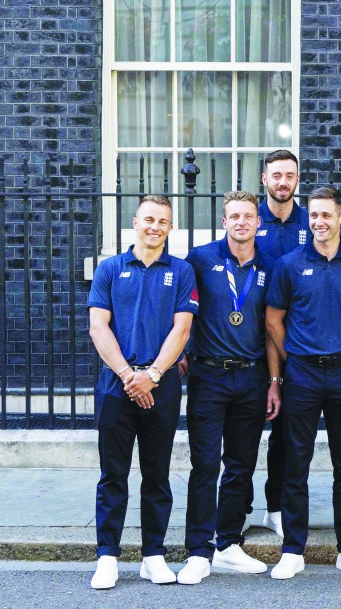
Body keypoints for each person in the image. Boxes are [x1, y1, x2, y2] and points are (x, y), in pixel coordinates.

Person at [265, 186, 341, 579]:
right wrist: (295, 353)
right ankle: (293, 549)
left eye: (326, 215)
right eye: (313, 215)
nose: (319, 222)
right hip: (303, 373)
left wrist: (339, 344)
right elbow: (273, 320)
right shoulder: (290, 264)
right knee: (296, 463)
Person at [87, 194, 198, 589]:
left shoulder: (182, 272)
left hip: (161, 384)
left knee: (157, 475)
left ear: (171, 228)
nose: (155, 226)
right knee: (113, 475)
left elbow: (182, 329)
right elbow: (98, 327)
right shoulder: (110, 269)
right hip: (116, 386)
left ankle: (154, 555)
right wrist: (127, 375)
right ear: (134, 222)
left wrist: (151, 375)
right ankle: (107, 557)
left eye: (163, 221)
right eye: (149, 219)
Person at [177, 192, 277, 584]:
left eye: (248, 216)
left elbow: (272, 330)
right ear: (224, 222)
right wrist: (182, 350)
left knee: (241, 464)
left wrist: (273, 381)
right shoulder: (200, 259)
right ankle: (199, 550)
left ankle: (229, 544)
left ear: (258, 223)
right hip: (209, 375)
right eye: (234, 216)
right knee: (204, 464)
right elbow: (181, 310)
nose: (241, 222)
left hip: (251, 377)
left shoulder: (270, 265)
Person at [253, 149, 307, 536]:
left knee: (287, 434)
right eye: (276, 175)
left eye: (289, 175)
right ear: (264, 179)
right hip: (250, 339)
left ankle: (277, 506)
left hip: (298, 341)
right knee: (243, 432)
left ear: (297, 181)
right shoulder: (250, 220)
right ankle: (236, 508)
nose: (282, 181)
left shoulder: (311, 220)